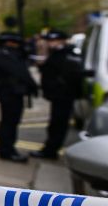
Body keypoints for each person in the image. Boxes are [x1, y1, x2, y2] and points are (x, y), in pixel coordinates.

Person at [31, 30, 84, 160]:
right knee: (55, 124)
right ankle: (50, 149)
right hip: (58, 95)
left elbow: (70, 75)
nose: (50, 43)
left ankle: (50, 151)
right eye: (49, 41)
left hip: (63, 95)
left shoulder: (66, 54)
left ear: (61, 40)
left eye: (53, 41)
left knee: (58, 124)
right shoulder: (58, 53)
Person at [0, 33, 38, 162]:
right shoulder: (5, 55)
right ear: (10, 43)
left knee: (11, 121)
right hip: (9, 93)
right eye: (16, 43)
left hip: (11, 92)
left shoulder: (2, 53)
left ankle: (8, 149)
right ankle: (7, 151)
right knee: (9, 122)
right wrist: (33, 85)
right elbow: (20, 72)